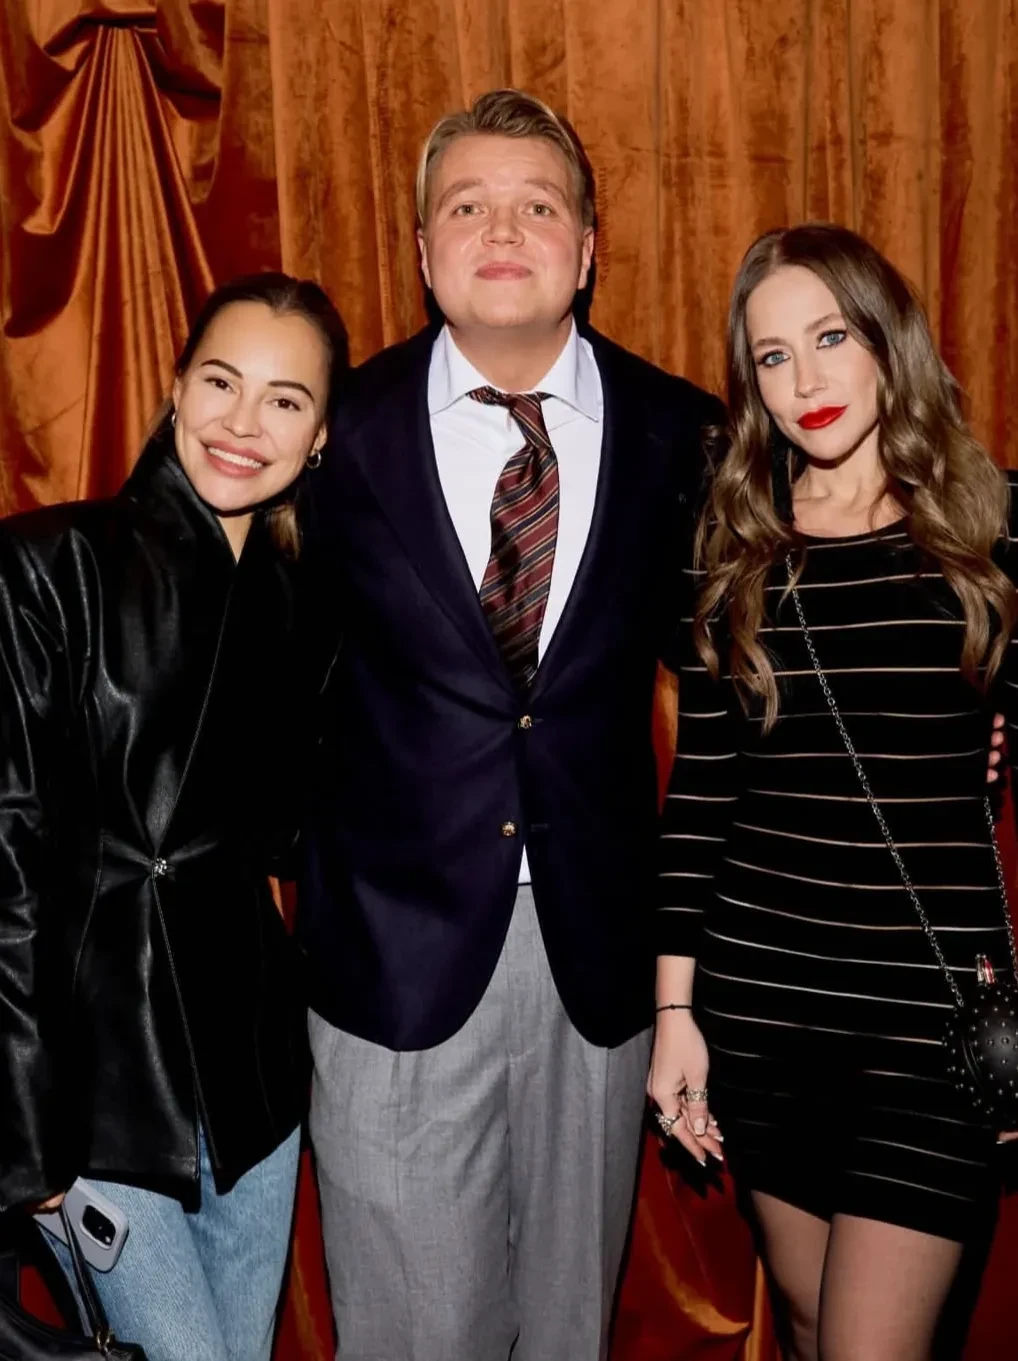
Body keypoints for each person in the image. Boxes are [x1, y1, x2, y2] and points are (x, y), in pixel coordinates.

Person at [297, 89, 723, 1361]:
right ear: (421, 251)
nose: (501, 229)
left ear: (586, 249)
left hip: (599, 964)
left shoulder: (679, 432)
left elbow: (742, 674)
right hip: (391, 958)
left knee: (564, 1328)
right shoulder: (336, 431)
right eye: (467, 205)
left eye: (537, 206)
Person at [651, 222, 1018, 1361]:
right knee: (811, 1322)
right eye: (772, 356)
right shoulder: (730, 549)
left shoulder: (993, 527)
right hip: (764, 1013)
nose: (805, 380)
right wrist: (675, 1015)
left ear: (887, 340)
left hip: (926, 1031)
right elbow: (701, 798)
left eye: (830, 337)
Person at [0, 272, 347, 1361]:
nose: (243, 423)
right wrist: (26, 1131)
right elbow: (5, 860)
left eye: (285, 400)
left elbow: (289, 831)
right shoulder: (48, 565)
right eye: (221, 382)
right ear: (176, 385)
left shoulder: (303, 603)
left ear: (320, 437)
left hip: (255, 1082)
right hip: (96, 1093)